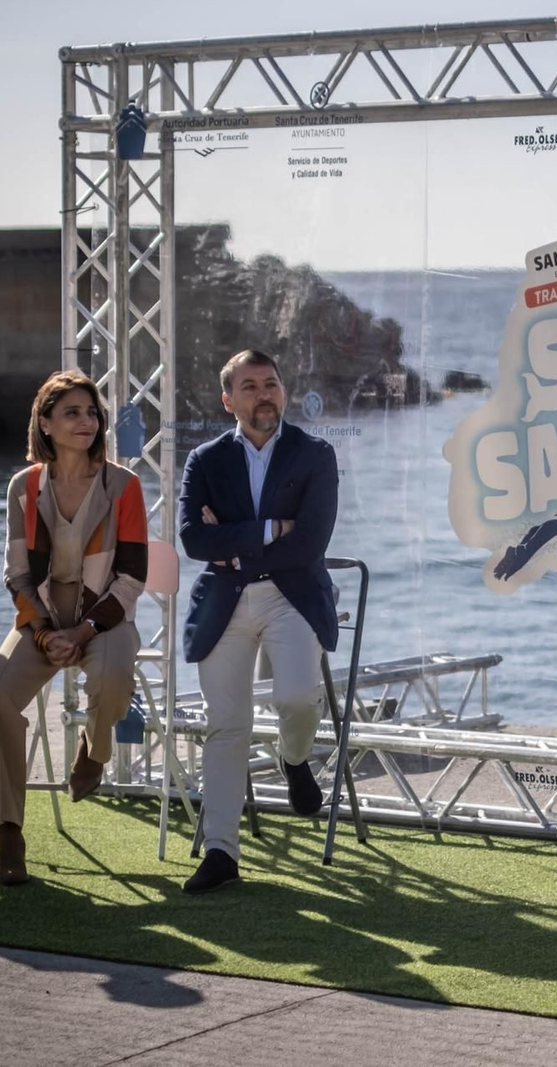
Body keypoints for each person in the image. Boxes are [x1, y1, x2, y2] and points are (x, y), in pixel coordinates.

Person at [176, 349, 340, 894]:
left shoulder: (315, 454)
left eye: (271, 383)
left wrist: (236, 543)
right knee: (225, 725)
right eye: (249, 386)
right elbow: (193, 540)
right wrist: (270, 529)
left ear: (283, 392)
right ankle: (221, 851)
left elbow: (312, 542)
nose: (263, 393)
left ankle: (294, 760)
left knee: (296, 697)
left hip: (291, 597)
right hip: (224, 602)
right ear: (228, 400)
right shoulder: (204, 460)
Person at [0, 371, 147, 885]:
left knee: (114, 675)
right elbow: (17, 573)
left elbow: (132, 576)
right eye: (72, 412)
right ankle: (10, 830)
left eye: (92, 413)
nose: (86, 422)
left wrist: (84, 631)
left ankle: (94, 752)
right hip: (42, 621)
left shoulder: (125, 485)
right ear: (45, 423)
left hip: (106, 617)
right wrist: (47, 631)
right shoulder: (23, 488)